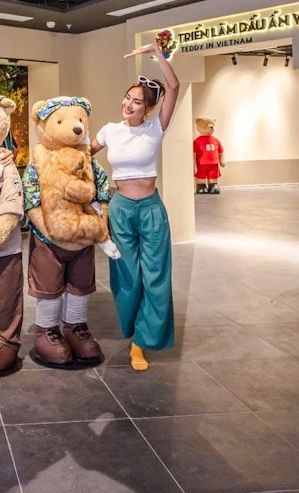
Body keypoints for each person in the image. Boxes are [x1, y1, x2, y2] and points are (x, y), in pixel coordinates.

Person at [90, 41, 180, 371]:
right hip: (121, 210)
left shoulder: (156, 128)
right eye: (128, 98)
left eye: (137, 101)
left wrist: (156, 51)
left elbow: (173, 86)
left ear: (149, 109)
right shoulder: (110, 131)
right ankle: (133, 328)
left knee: (156, 276)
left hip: (152, 209)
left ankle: (141, 342)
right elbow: (82, 153)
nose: (129, 104)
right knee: (127, 276)